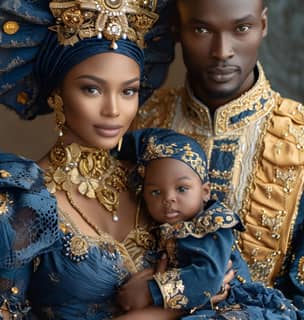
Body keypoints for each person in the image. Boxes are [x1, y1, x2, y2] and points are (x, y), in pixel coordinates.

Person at [0, 0, 182, 320]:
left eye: (128, 92)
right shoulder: (20, 203)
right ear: (57, 93)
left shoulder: (155, 179)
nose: (114, 110)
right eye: (92, 90)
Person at [132, 0, 304, 312]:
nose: (222, 50)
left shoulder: (301, 140)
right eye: (201, 30)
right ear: (177, 29)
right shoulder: (140, 124)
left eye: (241, 28)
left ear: (264, 25)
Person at [116, 127, 299, 319]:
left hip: (230, 303)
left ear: (205, 192)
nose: (168, 198)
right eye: (155, 192)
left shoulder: (213, 224)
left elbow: (210, 276)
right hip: (196, 306)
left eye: (182, 188)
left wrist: (150, 292)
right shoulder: (163, 229)